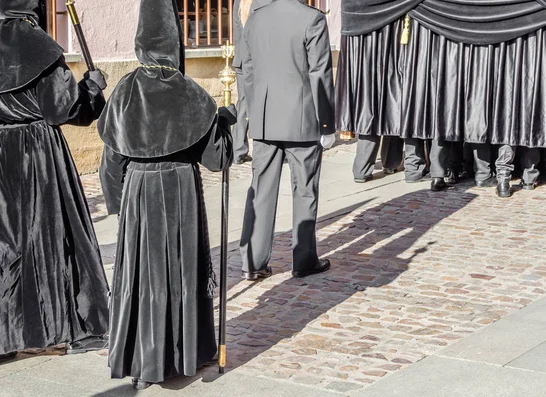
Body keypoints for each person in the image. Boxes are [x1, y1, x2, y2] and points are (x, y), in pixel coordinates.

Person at [97, 0, 234, 389]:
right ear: (176, 42)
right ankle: (181, 354)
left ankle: (144, 360)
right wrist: (224, 119)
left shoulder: (125, 89)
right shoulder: (190, 91)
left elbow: (111, 161)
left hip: (139, 191)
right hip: (178, 191)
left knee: (142, 275)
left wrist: (119, 205)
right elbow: (217, 160)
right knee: (179, 270)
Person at [0, 0, 109, 360]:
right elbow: (67, 109)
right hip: (37, 156)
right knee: (48, 237)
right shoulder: (39, 46)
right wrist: (92, 89)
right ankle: (54, 328)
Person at [239, 0, 335, 280]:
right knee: (304, 189)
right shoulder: (311, 19)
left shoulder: (255, 18)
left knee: (261, 190)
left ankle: (253, 263)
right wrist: (326, 123)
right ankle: (304, 260)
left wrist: (256, 113)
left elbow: (248, 72)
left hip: (266, 118)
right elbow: (320, 74)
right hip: (301, 118)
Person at [232, 0, 273, 164]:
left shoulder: (239, 3)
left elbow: (237, 34)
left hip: (241, 59)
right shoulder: (263, 3)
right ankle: (262, 147)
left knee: (243, 104)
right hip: (256, 59)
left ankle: (238, 149)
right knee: (263, 104)